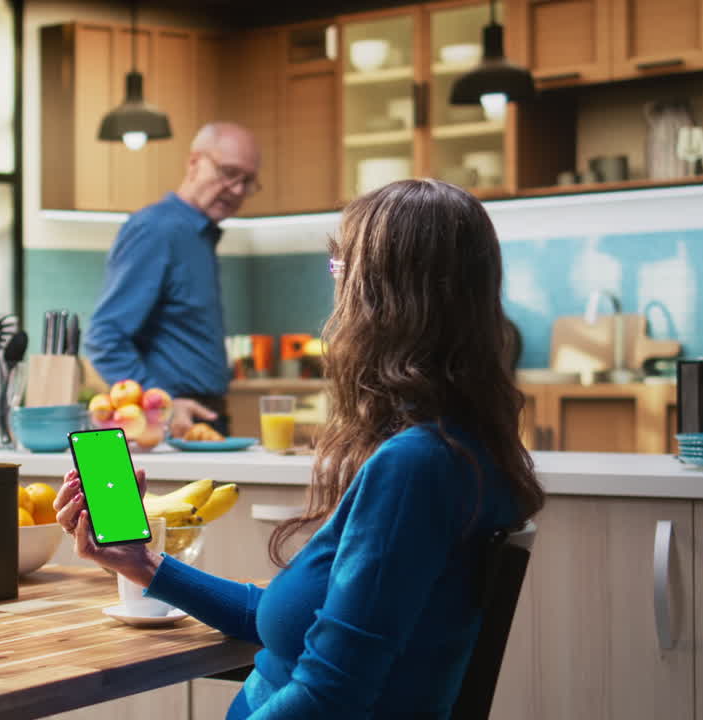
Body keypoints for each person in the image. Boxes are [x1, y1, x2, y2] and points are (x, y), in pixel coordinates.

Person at [56, 179, 546, 718]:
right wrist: (144, 564)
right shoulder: (463, 450)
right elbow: (295, 623)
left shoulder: (416, 467)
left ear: (386, 297)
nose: (336, 292)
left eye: (341, 269)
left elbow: (330, 695)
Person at [84, 122, 261, 438]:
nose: (237, 190)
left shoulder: (199, 235)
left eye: (247, 181)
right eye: (228, 173)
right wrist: (161, 406)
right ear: (194, 163)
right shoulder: (157, 229)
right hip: (171, 423)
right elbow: (105, 337)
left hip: (202, 417)